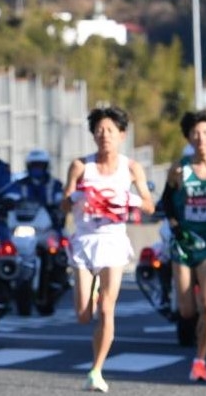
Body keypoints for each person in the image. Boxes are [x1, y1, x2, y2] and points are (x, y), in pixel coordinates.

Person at [60, 106, 154, 392]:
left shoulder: (131, 167)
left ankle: (96, 370)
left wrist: (127, 199)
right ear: (93, 135)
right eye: (99, 130)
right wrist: (79, 195)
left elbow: (150, 205)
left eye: (110, 131)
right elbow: (64, 204)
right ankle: (94, 294)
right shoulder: (80, 166)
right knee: (83, 315)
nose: (104, 136)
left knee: (107, 309)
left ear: (122, 135)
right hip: (85, 241)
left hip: (113, 241)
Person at [160, 110, 206, 382]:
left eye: (205, 133)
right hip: (184, 243)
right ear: (188, 137)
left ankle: (200, 361)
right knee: (188, 311)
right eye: (196, 134)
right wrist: (175, 226)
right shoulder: (180, 169)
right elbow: (166, 202)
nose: (201, 138)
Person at [0, 148, 65, 232]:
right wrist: (8, 200)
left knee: (62, 239)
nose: (37, 168)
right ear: (28, 166)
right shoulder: (20, 184)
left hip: (49, 224)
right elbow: (11, 194)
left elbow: (60, 197)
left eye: (40, 166)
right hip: (23, 222)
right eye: (34, 166)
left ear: (46, 166)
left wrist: (58, 202)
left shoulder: (54, 184)